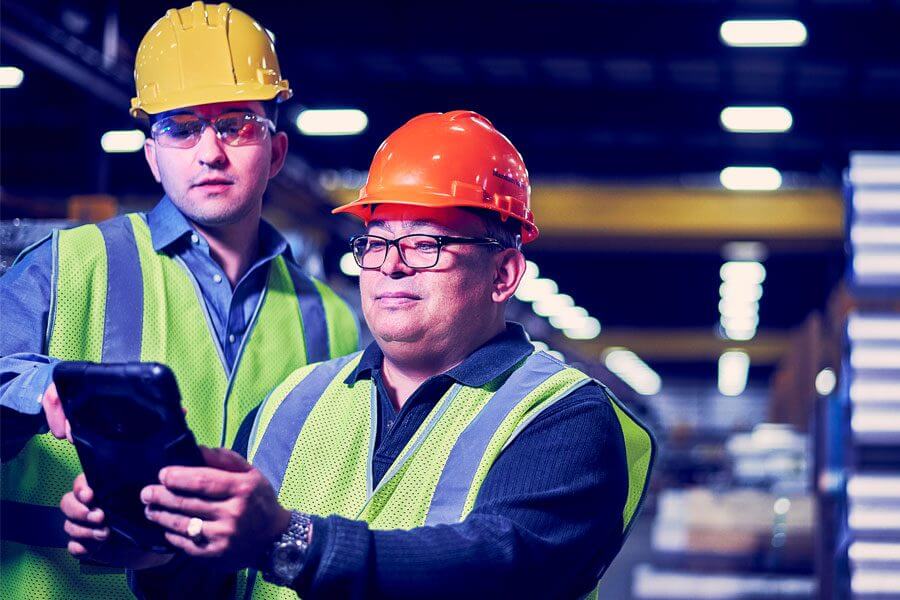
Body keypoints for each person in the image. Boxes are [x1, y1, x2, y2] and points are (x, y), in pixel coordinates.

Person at [62, 111, 655, 599]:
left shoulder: (565, 416)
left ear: (504, 273)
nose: (390, 266)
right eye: (375, 244)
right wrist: (155, 551)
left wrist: (284, 539)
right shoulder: (290, 403)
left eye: (426, 244)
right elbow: (216, 590)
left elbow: (498, 568)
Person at [0, 3, 358, 598]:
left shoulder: (331, 320)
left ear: (275, 152)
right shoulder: (69, 265)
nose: (209, 151)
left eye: (236, 123)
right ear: (152, 156)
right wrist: (41, 390)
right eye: (181, 126)